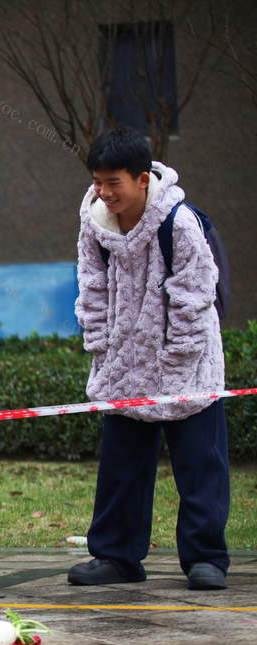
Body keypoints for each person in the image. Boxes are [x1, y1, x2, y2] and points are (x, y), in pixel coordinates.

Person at [69, 126, 230, 591]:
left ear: (143, 179)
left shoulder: (179, 223)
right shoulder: (95, 224)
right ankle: (117, 556)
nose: (103, 192)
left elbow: (195, 296)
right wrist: (101, 346)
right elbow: (92, 288)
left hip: (189, 365)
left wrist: (177, 359)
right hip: (123, 367)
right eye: (98, 181)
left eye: (113, 182)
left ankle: (206, 558)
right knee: (121, 466)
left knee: (200, 465)